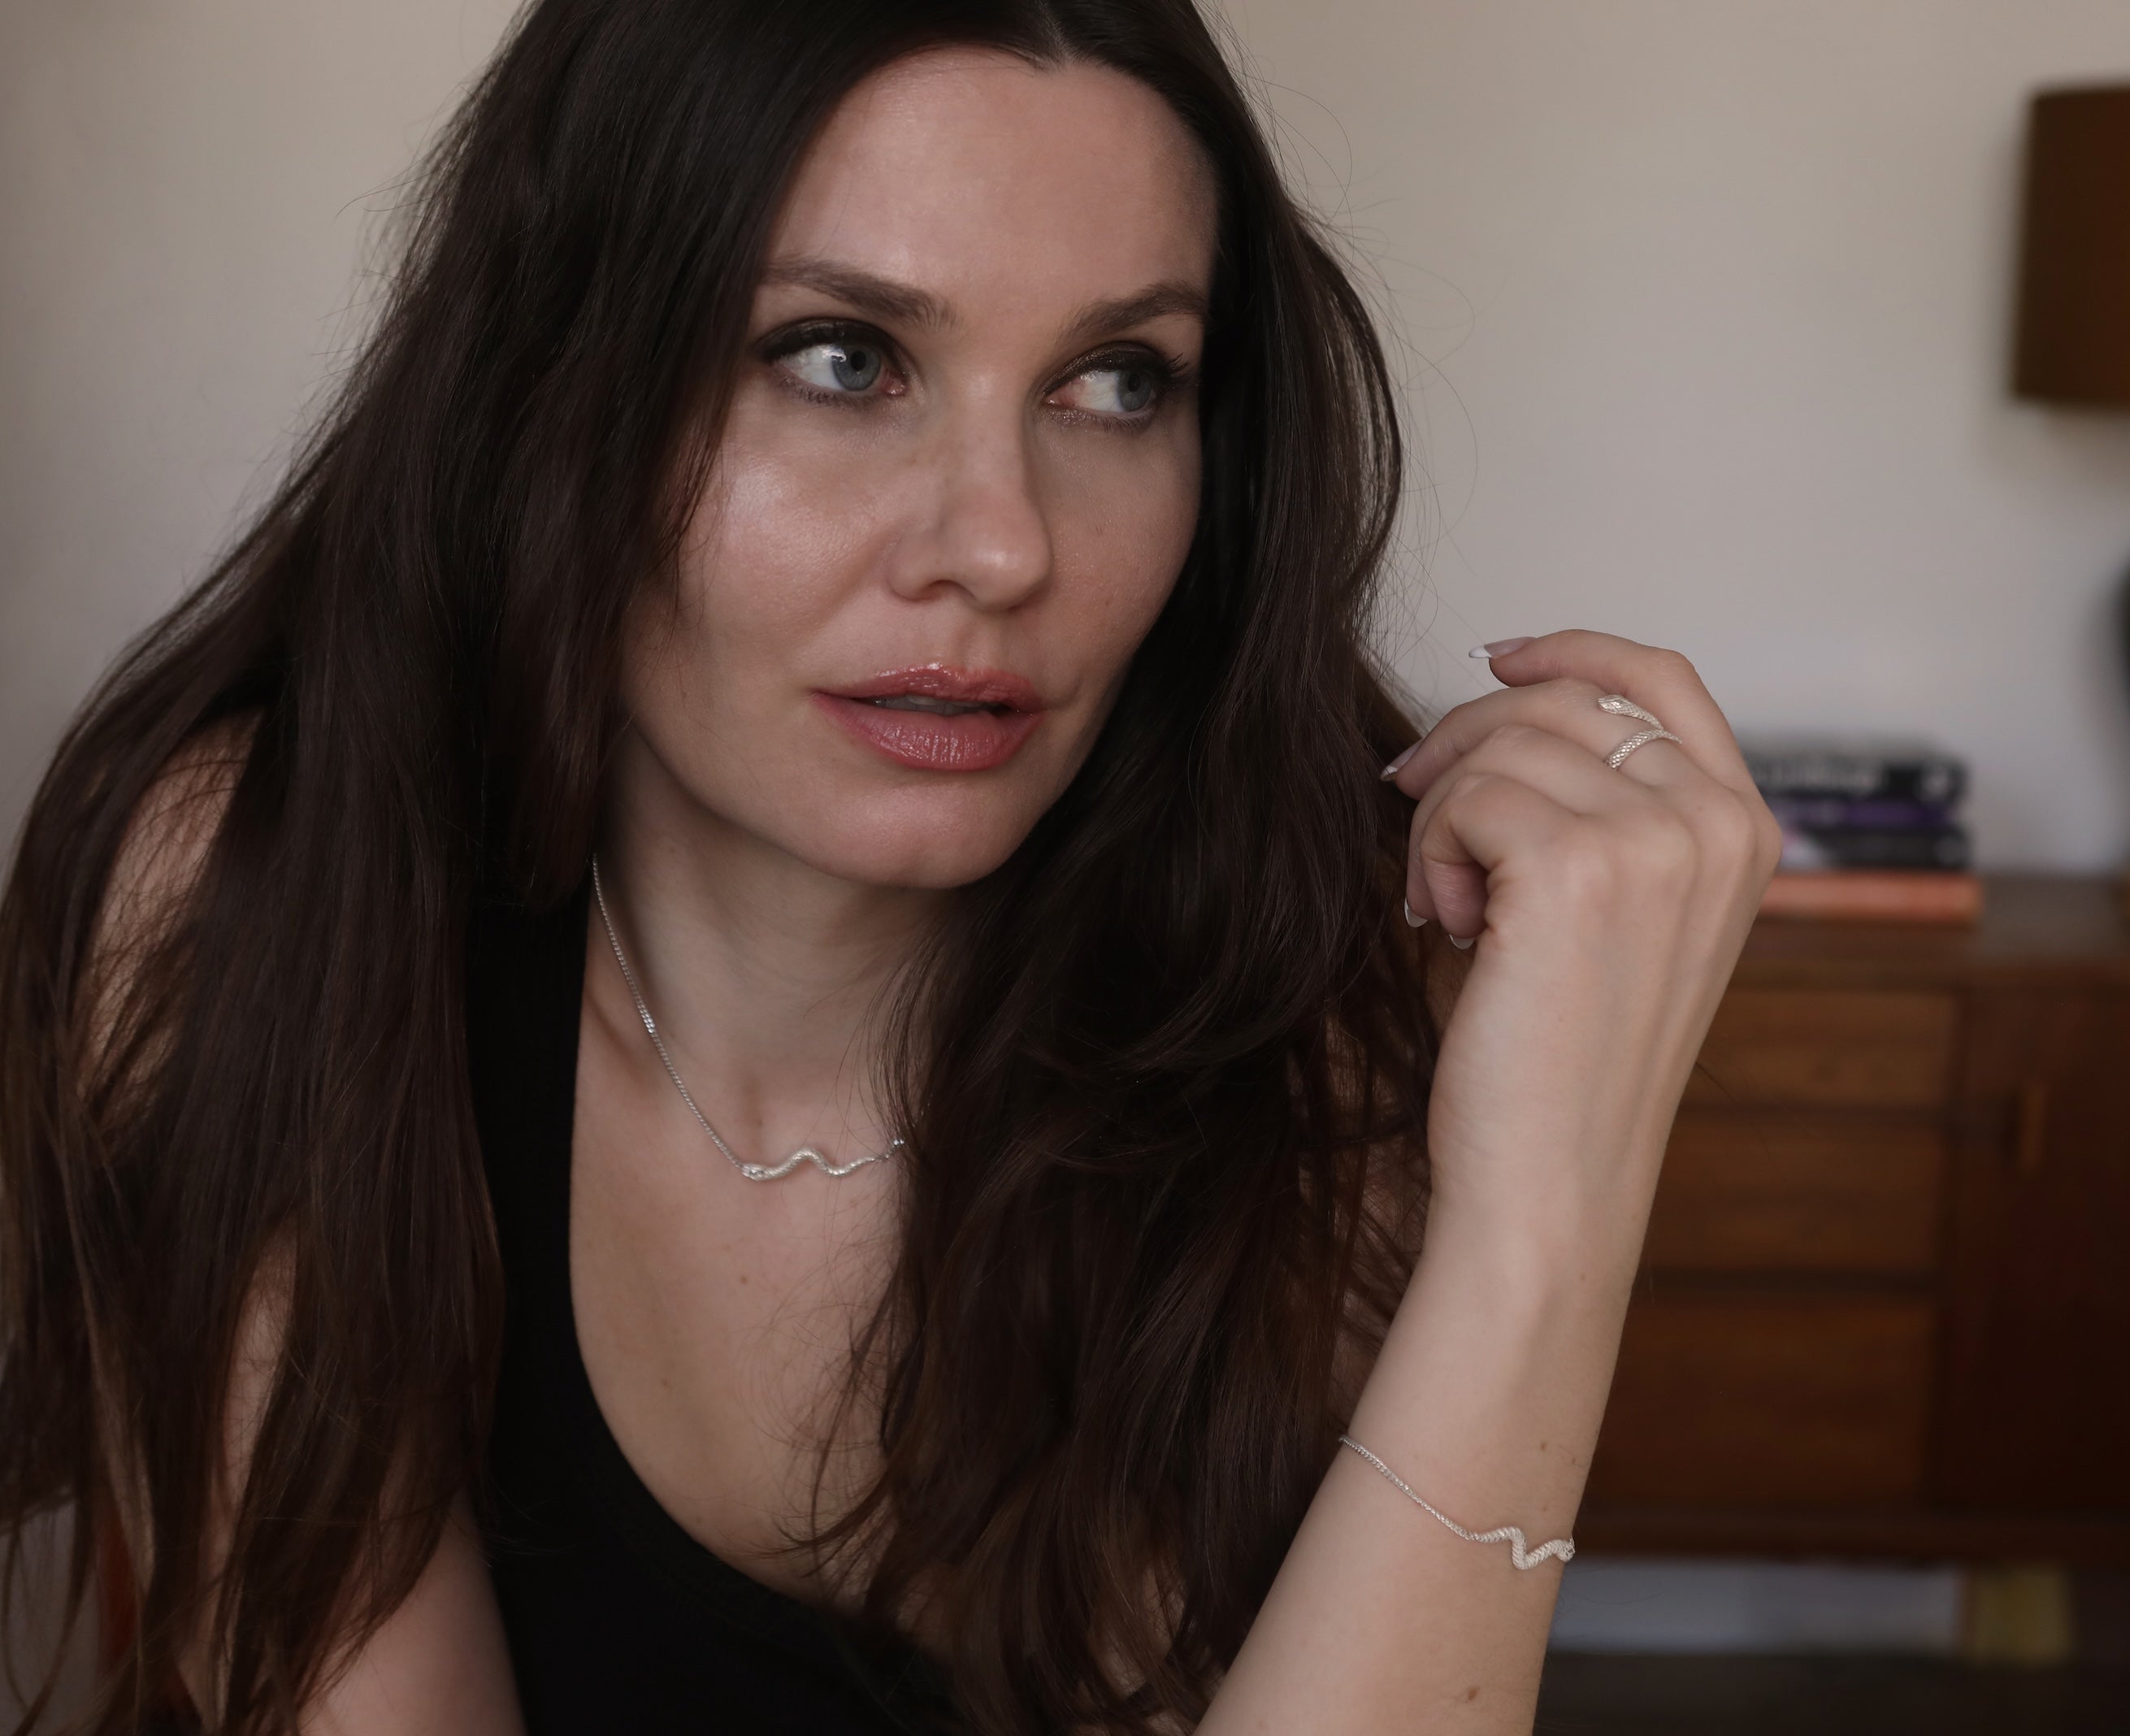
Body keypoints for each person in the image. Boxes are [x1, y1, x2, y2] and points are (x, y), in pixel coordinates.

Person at [0, 1, 1776, 1730]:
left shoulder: (1324, 1015)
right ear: (553, 389)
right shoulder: (255, 897)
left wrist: (1543, 1233)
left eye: (1115, 382)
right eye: (841, 357)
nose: (1001, 547)